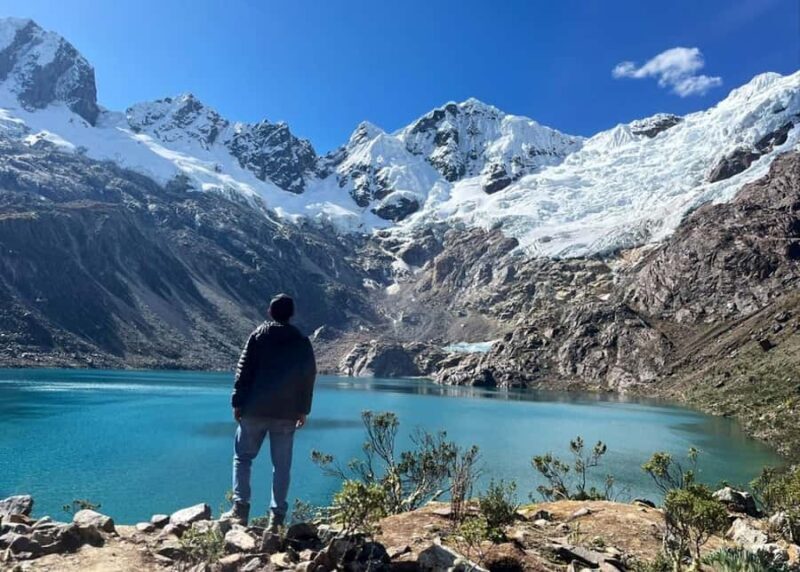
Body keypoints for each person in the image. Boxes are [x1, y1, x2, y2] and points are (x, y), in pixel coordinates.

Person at [222, 293, 316, 530]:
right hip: (286, 414)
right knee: (281, 466)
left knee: (243, 458)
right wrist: (303, 409)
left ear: (269, 312)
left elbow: (243, 371)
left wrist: (238, 402)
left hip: (254, 408)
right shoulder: (301, 341)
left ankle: (240, 509)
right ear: (291, 314)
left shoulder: (258, 336)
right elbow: (308, 376)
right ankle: (276, 519)